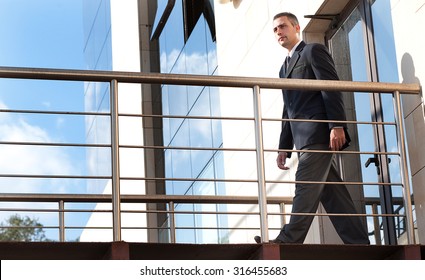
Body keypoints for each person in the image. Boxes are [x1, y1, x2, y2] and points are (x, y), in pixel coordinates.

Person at [256, 12, 370, 244]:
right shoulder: (283, 68)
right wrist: (283, 147)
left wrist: (336, 125)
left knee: (305, 188)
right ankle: (359, 242)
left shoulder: (312, 51)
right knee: (334, 196)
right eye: (275, 29)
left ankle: (288, 240)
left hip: (318, 134)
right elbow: (288, 109)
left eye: (283, 27)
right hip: (302, 139)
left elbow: (330, 87)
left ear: (296, 27)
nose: (279, 32)